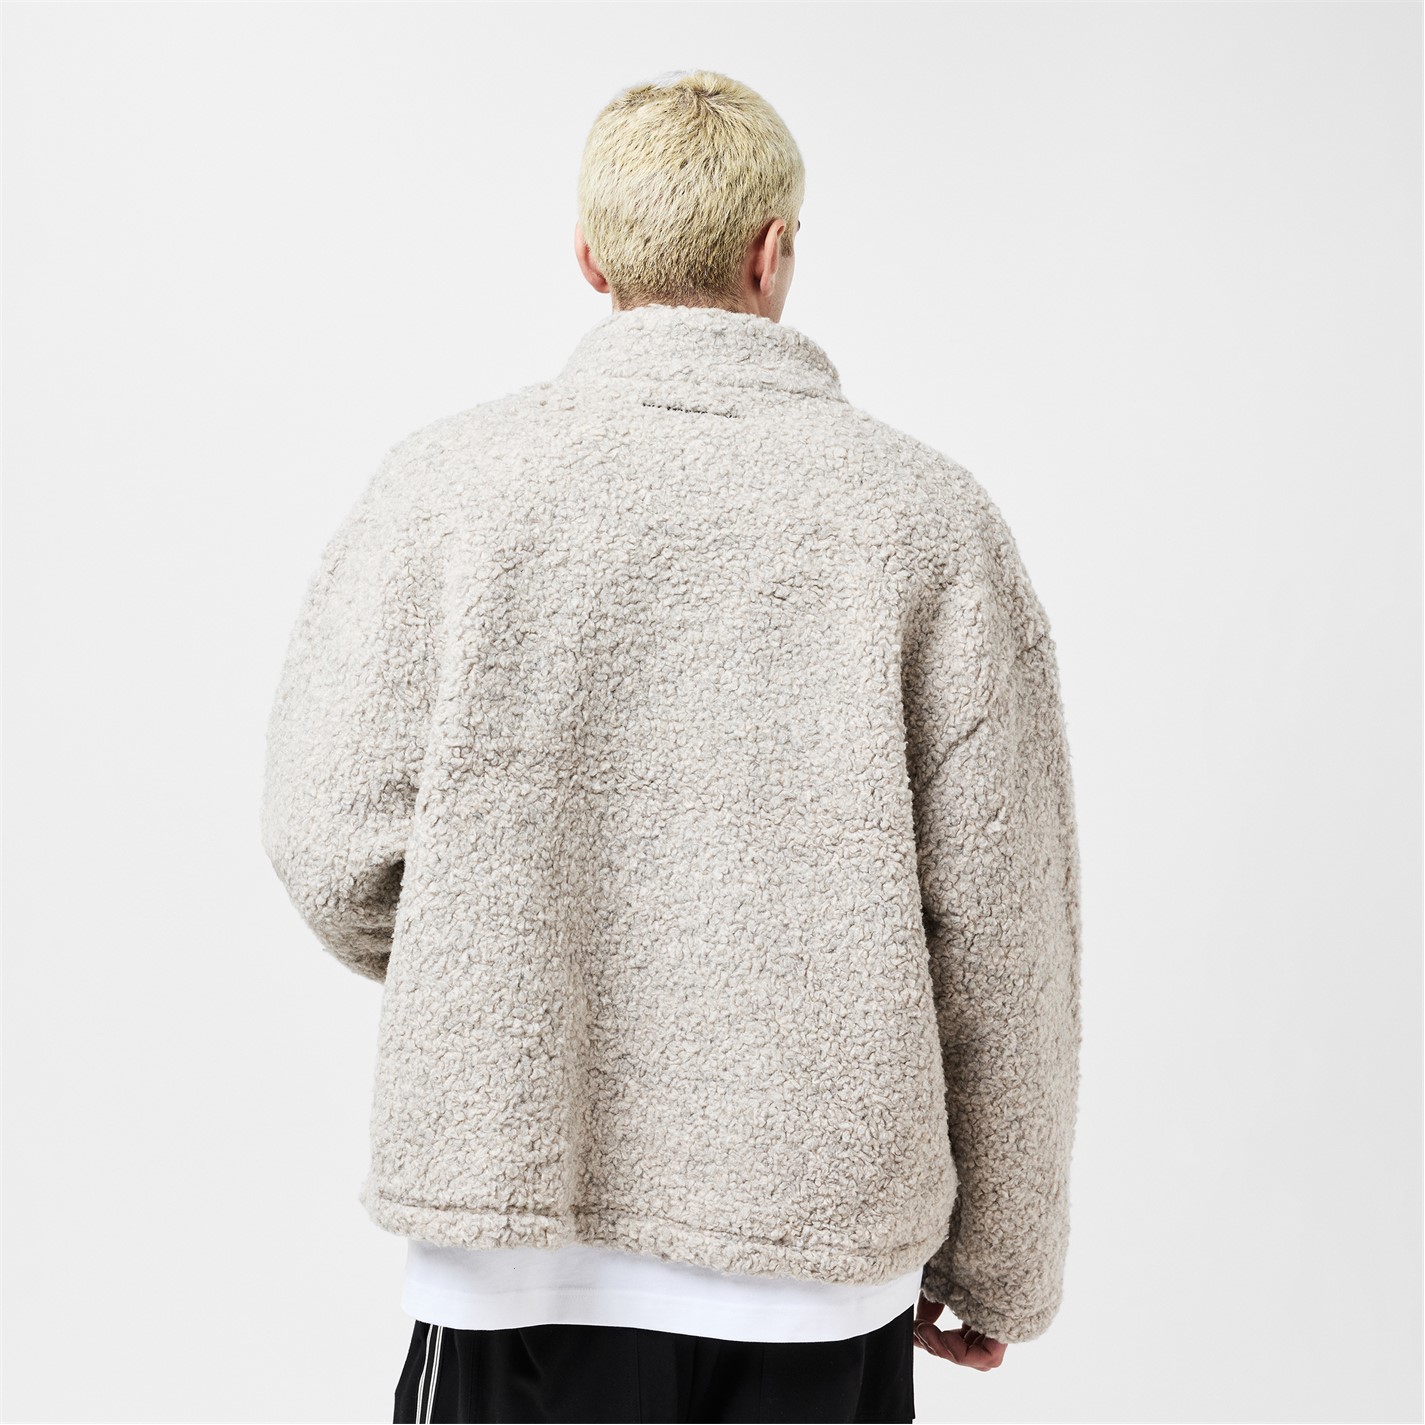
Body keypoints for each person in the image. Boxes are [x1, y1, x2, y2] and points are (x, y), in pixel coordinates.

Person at [260, 68, 1083, 1425]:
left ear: (589, 257)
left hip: (520, 1239)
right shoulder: (926, 521)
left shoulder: (449, 491)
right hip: (817, 1254)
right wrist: (1000, 1259)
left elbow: (328, 836)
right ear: (774, 253)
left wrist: (499, 954)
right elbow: (1004, 930)